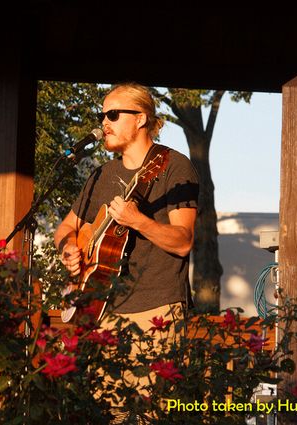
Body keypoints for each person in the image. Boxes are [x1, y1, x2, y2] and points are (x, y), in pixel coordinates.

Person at [53, 82, 199, 419]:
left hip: (155, 310)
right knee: (105, 413)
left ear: (141, 118)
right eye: (102, 115)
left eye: (113, 115)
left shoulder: (172, 167)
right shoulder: (102, 174)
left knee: (147, 415)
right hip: (103, 311)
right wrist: (69, 250)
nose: (104, 123)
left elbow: (183, 241)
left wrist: (139, 221)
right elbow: (65, 228)